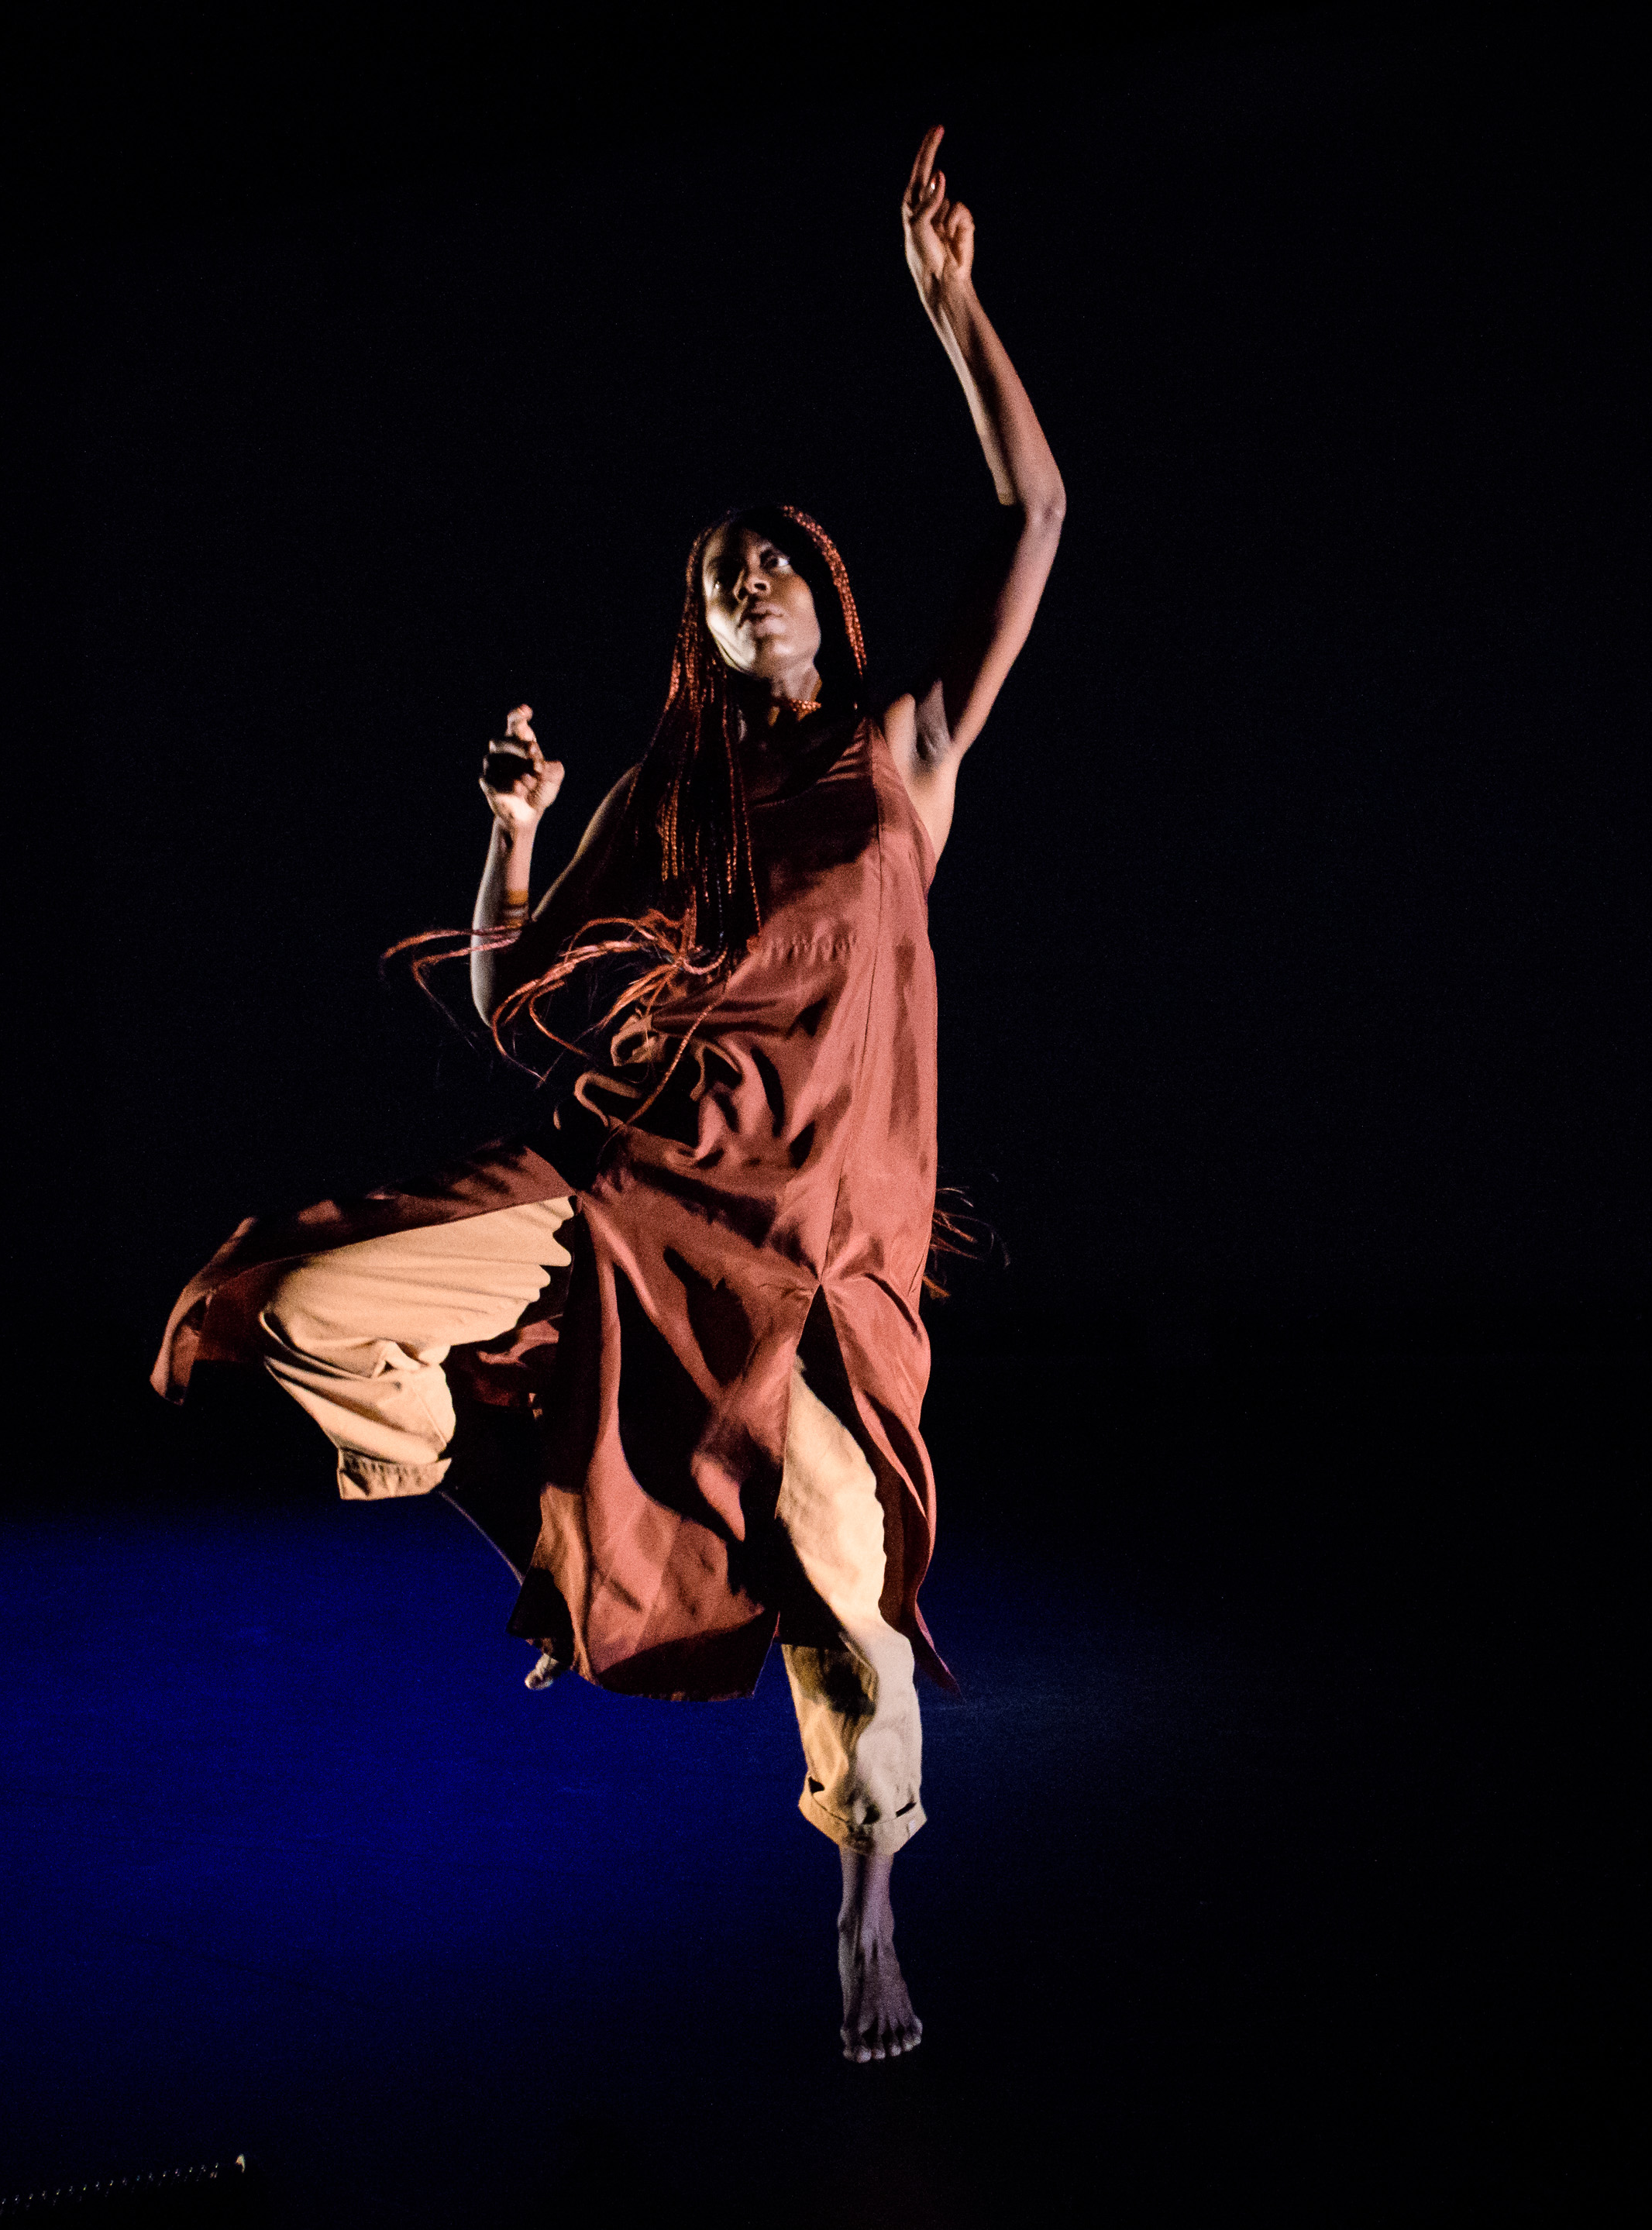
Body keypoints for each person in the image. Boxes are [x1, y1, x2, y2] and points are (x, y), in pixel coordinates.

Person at [152, 126, 1064, 2062]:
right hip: (616, 1198)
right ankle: (554, 1505)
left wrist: (951, 308)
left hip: (811, 1256)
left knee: (846, 1598)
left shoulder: (902, 755)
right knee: (300, 1308)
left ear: (823, 597)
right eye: (719, 577)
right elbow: (512, 1007)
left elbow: (1033, 515)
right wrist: (509, 836)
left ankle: (864, 1908)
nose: (748, 583)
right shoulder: (665, 802)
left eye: (772, 561)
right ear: (701, 633)